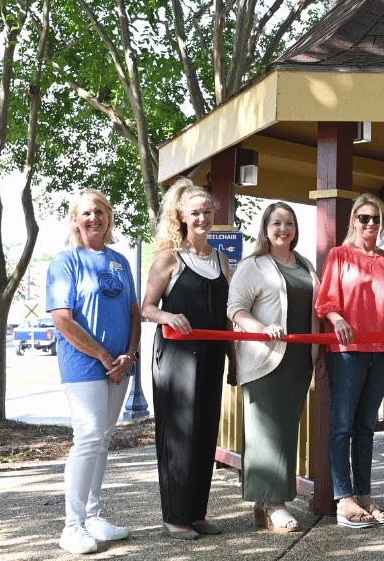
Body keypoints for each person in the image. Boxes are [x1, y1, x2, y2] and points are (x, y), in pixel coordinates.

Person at [46, 189, 138, 554]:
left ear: (108, 217)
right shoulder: (65, 261)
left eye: (100, 211)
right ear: (74, 219)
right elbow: (62, 320)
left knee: (103, 439)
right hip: (84, 365)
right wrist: (103, 356)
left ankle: (93, 517)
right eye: (86, 212)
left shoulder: (119, 261)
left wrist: (128, 355)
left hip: (119, 366)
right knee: (87, 436)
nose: (94, 218)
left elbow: (134, 315)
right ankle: (72, 526)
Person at [142, 178, 231, 539]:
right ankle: (174, 516)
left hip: (212, 357)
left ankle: (196, 512)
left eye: (207, 211)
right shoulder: (169, 258)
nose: (202, 218)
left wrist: (236, 363)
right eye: (195, 212)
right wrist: (167, 316)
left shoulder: (223, 259)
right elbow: (147, 307)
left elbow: (226, 316)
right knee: (179, 435)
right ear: (181, 216)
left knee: (206, 431)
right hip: (177, 359)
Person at [314, 192, 384, 528]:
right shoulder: (339, 255)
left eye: (376, 219)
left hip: (380, 353)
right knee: (342, 426)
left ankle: (364, 493)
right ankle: (344, 497)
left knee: (366, 427)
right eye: (364, 218)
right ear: (354, 220)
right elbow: (325, 301)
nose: (370, 224)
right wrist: (337, 319)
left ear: (383, 223)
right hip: (347, 353)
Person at [227, 202, 321, 532]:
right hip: (265, 359)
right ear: (266, 228)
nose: (284, 229)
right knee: (266, 432)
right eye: (277, 223)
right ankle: (274, 503)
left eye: (290, 223)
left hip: (298, 361)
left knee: (285, 431)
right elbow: (235, 309)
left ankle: (265, 498)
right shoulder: (253, 265)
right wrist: (261, 327)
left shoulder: (306, 265)